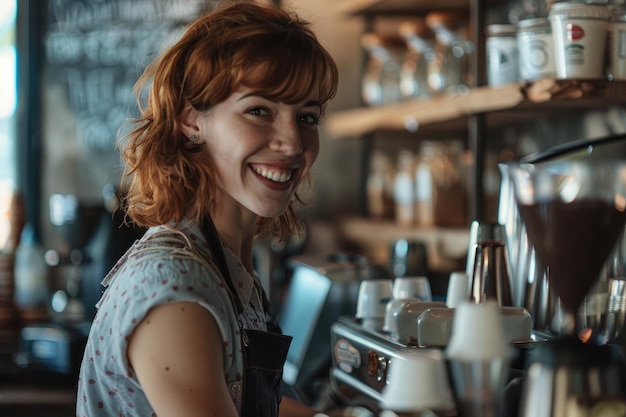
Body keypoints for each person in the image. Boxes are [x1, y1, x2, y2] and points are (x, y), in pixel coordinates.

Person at [75, 1, 338, 416]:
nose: (293, 143)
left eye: (307, 117)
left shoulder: (224, 265)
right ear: (191, 120)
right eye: (259, 111)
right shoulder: (174, 289)